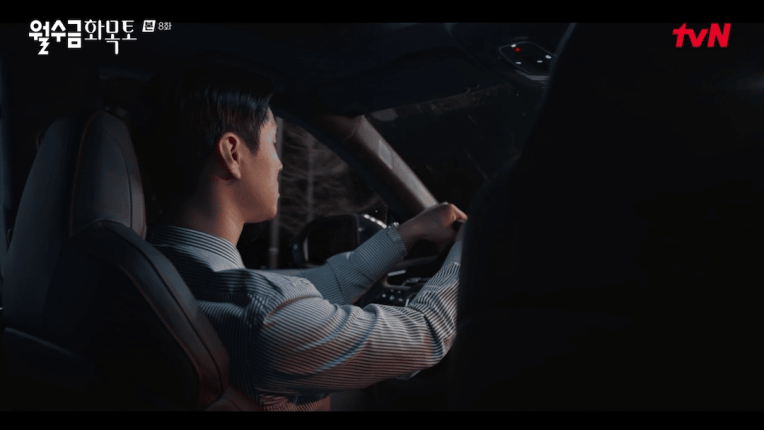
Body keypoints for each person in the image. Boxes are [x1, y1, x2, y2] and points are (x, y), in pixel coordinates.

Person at [135, 63, 467, 411]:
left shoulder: (160, 270)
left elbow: (313, 289)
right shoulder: (263, 315)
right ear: (232, 153)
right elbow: (423, 335)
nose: (279, 163)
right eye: (272, 142)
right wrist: (473, 248)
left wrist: (409, 232)